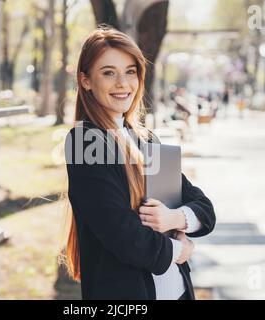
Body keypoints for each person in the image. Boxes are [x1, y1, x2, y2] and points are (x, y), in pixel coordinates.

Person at [62, 25, 216, 300]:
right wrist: (180, 250)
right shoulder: (84, 141)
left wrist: (175, 217)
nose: (123, 84)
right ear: (85, 80)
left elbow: (203, 208)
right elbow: (123, 235)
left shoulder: (146, 139)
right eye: (109, 72)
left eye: (130, 72)